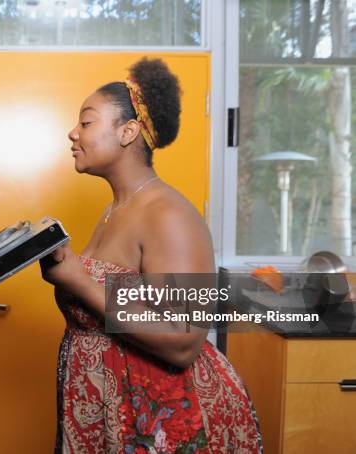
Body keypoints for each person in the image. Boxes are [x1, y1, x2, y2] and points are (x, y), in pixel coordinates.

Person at [40, 58, 262, 453]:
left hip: (165, 421)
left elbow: (183, 340)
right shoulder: (116, 210)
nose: (72, 133)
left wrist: (80, 282)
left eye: (86, 122)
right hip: (117, 412)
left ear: (128, 132)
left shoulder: (167, 214)